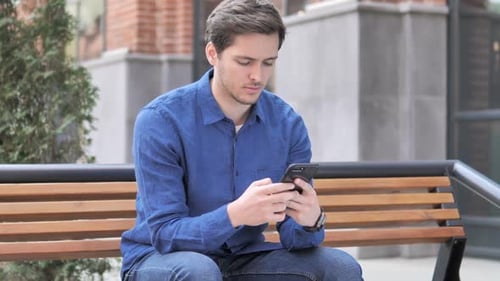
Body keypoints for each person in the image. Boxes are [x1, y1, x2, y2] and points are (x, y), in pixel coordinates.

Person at [120, 0, 363, 280]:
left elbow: (297, 241)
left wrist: (309, 222)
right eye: (244, 62)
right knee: (198, 271)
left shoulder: (287, 123)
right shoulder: (162, 120)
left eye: (268, 63)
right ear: (213, 53)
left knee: (340, 267)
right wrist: (234, 215)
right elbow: (165, 235)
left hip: (244, 258)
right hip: (160, 260)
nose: (257, 76)